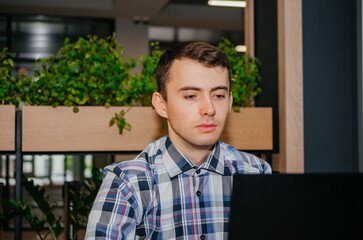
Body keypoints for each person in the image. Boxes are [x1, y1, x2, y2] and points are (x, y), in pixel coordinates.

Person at [85, 41, 271, 239]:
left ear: (230, 102)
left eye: (218, 95)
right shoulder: (128, 183)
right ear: (161, 105)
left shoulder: (256, 173)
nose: (209, 108)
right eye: (191, 96)